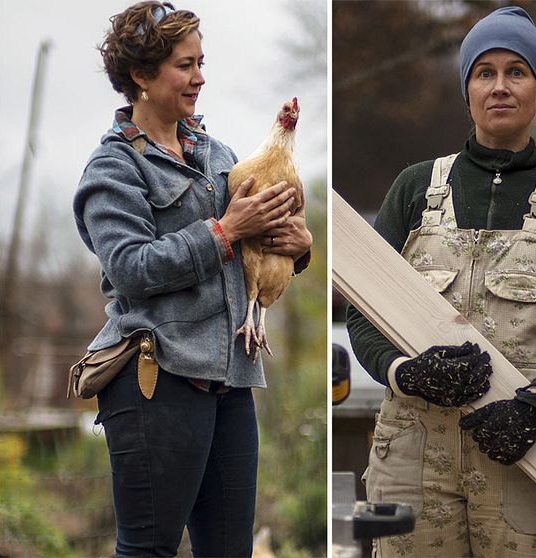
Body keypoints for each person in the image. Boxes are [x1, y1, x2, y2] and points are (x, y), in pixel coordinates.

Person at [345, 5, 536, 557]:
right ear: (467, 90)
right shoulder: (413, 189)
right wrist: (406, 372)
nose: (500, 87)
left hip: (532, 454)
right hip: (410, 459)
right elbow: (363, 310)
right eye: (485, 72)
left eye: (516, 71)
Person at [73, 2, 311, 556]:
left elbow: (259, 247)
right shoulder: (114, 169)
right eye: (184, 65)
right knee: (149, 549)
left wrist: (300, 249)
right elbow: (132, 269)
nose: (200, 77)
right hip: (158, 379)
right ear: (141, 75)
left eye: (201, 61)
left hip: (231, 383)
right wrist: (223, 231)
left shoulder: (220, 156)